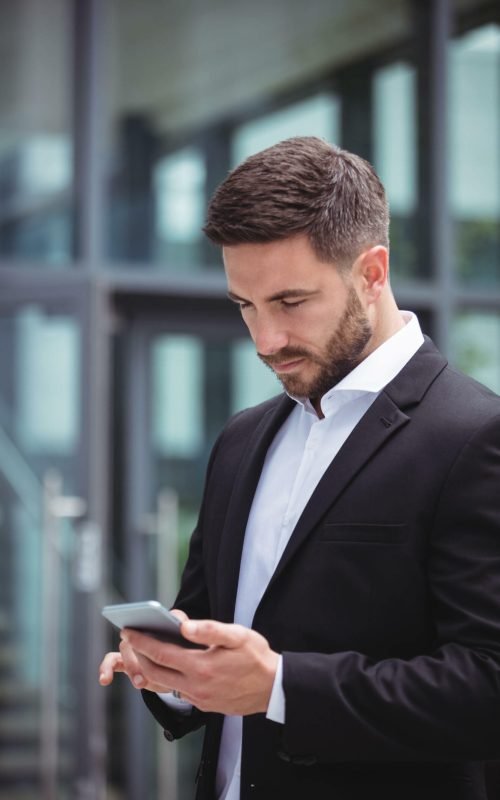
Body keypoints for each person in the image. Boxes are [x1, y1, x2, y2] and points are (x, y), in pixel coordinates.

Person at [99, 137, 500, 800]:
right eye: (244, 305)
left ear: (372, 274)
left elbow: (488, 684)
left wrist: (282, 688)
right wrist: (173, 674)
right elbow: (209, 631)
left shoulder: (475, 435)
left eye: (289, 302)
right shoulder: (241, 439)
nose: (265, 340)